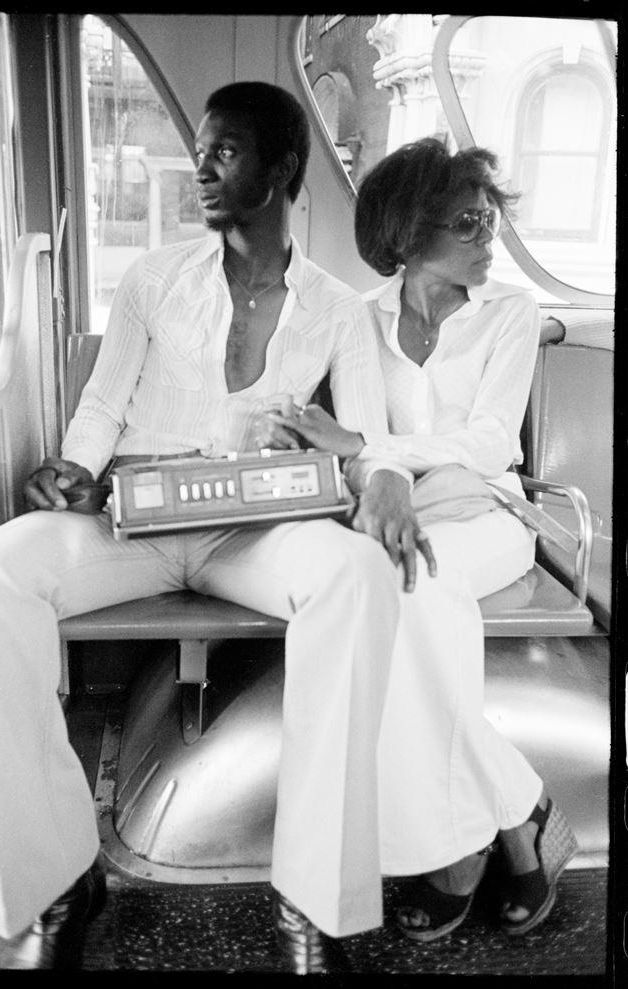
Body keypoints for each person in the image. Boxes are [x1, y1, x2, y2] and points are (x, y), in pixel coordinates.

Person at [0, 83, 436, 974]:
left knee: (359, 575)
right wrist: (74, 468)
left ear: (282, 169)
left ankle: (312, 901)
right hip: (130, 520)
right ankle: (60, 875)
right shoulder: (152, 279)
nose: (201, 168)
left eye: (224, 152)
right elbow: (105, 402)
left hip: (251, 534)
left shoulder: (336, 309)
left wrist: (382, 482)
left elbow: (365, 435)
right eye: (203, 149)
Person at [269, 138, 578, 942]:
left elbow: (482, 442)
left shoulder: (509, 314)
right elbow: (362, 433)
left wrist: (373, 458)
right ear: (407, 235)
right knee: (393, 590)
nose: (488, 239)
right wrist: (367, 458)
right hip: (396, 508)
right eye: (469, 222)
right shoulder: (358, 320)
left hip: (487, 511)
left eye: (490, 220)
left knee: (412, 587)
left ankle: (456, 855)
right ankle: (519, 811)